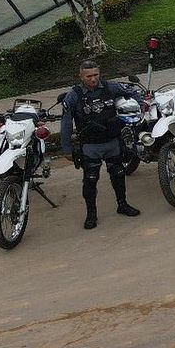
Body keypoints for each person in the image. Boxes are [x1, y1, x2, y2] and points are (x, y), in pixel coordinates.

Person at [60, 61, 142, 230]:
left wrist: (139, 106)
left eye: (96, 75)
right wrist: (66, 148)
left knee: (118, 174)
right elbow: (66, 123)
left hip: (112, 141)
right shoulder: (74, 96)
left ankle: (122, 204)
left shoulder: (110, 87)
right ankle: (91, 214)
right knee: (90, 180)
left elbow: (134, 94)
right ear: (81, 76)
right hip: (90, 146)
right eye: (88, 76)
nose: (93, 79)